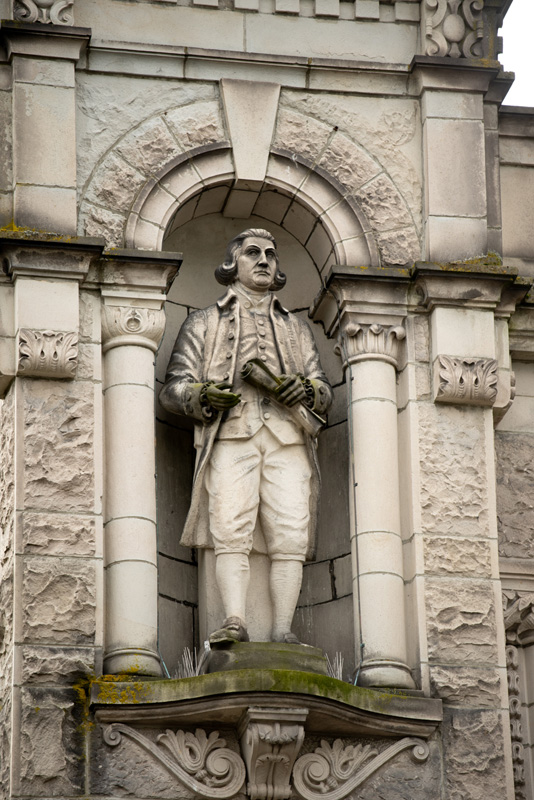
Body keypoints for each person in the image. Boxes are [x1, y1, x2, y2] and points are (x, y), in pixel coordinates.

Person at [160, 229, 332, 645]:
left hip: (287, 439)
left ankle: (282, 630)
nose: (264, 260)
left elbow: (324, 389)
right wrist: (200, 395)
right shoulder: (203, 321)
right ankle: (235, 619)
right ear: (231, 264)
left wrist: (306, 390)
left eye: (271, 255)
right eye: (253, 253)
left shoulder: (296, 328)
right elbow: (173, 388)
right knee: (230, 529)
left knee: (291, 533)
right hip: (232, 437)